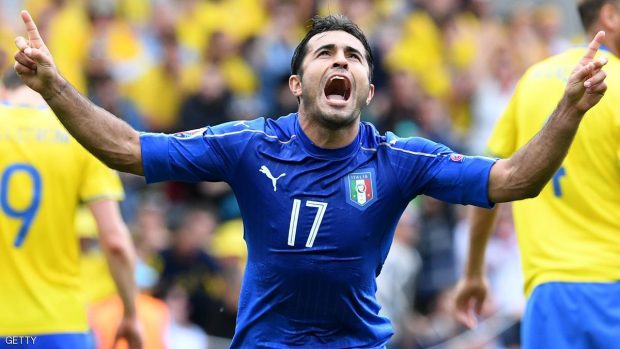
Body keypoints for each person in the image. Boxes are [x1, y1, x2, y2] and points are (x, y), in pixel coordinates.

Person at [13, 10, 608, 348]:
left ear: (369, 91)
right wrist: (52, 85)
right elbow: (126, 148)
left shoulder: (398, 157)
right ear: (297, 84)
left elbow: (512, 180)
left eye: (354, 55)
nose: (341, 61)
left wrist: (570, 110)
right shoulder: (248, 144)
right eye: (325, 53)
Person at [453, 1, 620, 348]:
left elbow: (489, 181)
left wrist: (473, 273)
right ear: (610, 15)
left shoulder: (532, 79)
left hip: (549, 296)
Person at [0, 69, 143, 348]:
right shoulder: (80, 135)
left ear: (4, 92)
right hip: (59, 324)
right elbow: (114, 241)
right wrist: (130, 313)